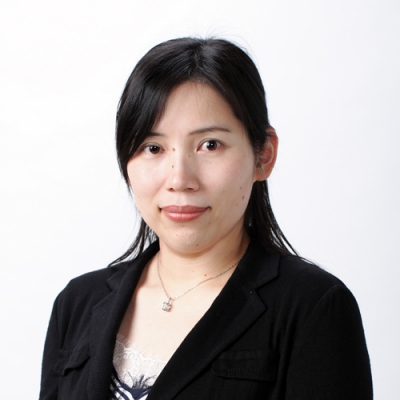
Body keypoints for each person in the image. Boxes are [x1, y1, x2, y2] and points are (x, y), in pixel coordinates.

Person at [39, 37, 373, 400]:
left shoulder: (313, 308)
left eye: (210, 145)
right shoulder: (77, 304)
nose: (179, 178)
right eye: (153, 148)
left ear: (263, 155)